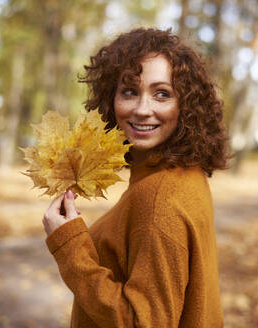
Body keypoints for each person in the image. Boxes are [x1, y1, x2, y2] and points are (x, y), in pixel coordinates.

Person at [42, 27, 230, 327]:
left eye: (162, 94)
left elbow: (141, 322)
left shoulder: (159, 198)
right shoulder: (184, 174)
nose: (143, 109)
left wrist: (71, 247)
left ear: (186, 105)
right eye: (129, 91)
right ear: (110, 99)